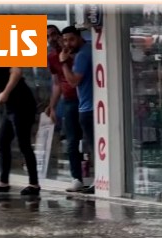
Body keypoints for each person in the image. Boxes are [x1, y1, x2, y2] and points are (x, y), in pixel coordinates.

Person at [0, 67, 40, 196]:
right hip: (10, 105)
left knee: (24, 144)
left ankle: (34, 184)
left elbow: (17, 72)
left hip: (22, 103)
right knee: (2, 142)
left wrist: (6, 92)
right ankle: (3, 182)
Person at [60, 26, 95, 193]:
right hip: (87, 105)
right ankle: (92, 179)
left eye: (71, 39)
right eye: (65, 40)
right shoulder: (89, 50)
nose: (68, 43)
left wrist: (63, 63)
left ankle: (96, 179)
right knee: (89, 144)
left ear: (80, 37)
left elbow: (73, 82)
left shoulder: (82, 55)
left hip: (87, 107)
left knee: (90, 144)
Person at [44, 24, 79, 187]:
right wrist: (52, 106)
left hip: (82, 97)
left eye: (53, 35)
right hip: (68, 99)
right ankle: (76, 177)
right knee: (71, 139)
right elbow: (56, 83)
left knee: (87, 136)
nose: (51, 39)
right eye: (47, 37)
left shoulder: (74, 53)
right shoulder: (52, 58)